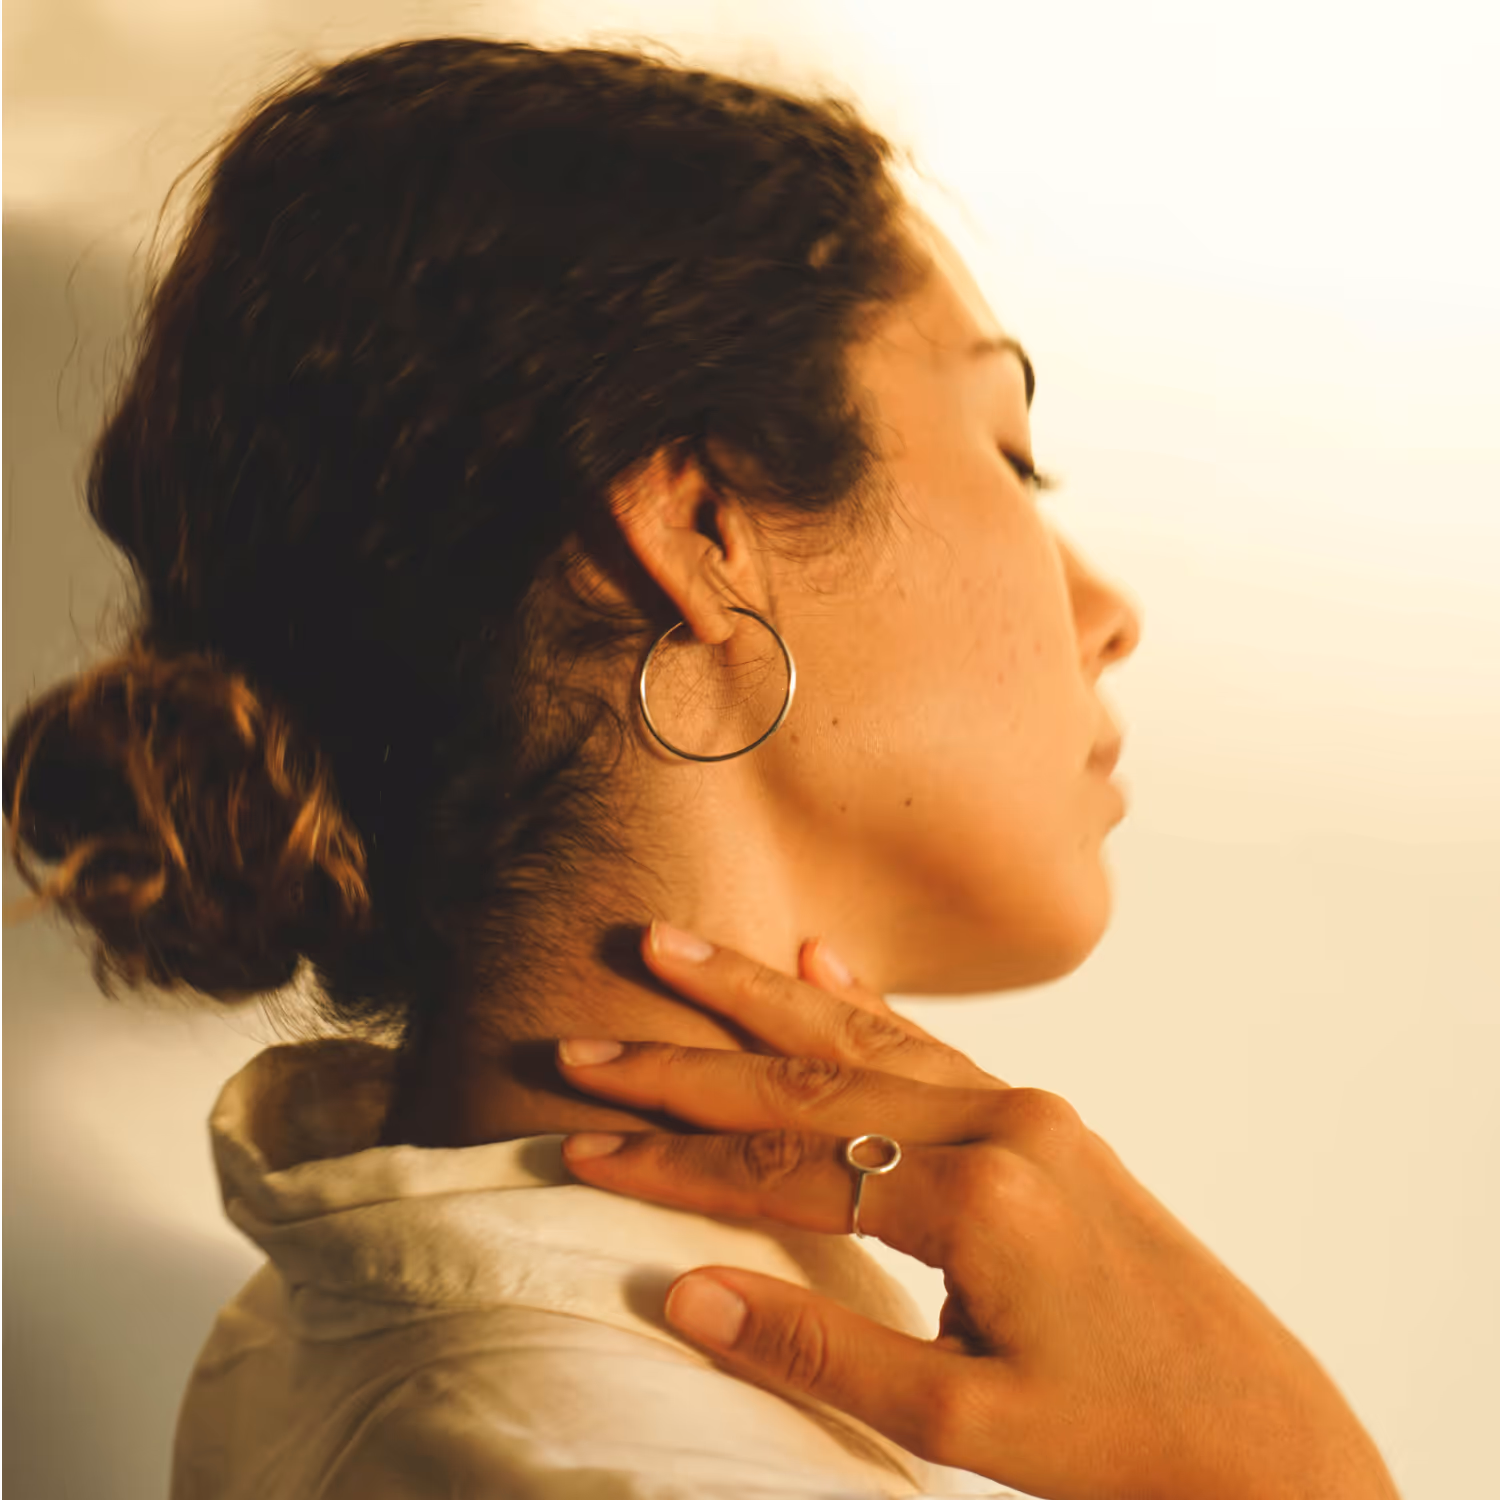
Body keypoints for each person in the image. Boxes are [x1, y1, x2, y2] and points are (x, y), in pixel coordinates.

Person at [0, 35, 1399, 1500]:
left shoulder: (334, 1347)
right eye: (1011, 455)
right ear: (703, 529)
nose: (1110, 612)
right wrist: (1291, 1472)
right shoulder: (603, 1452)